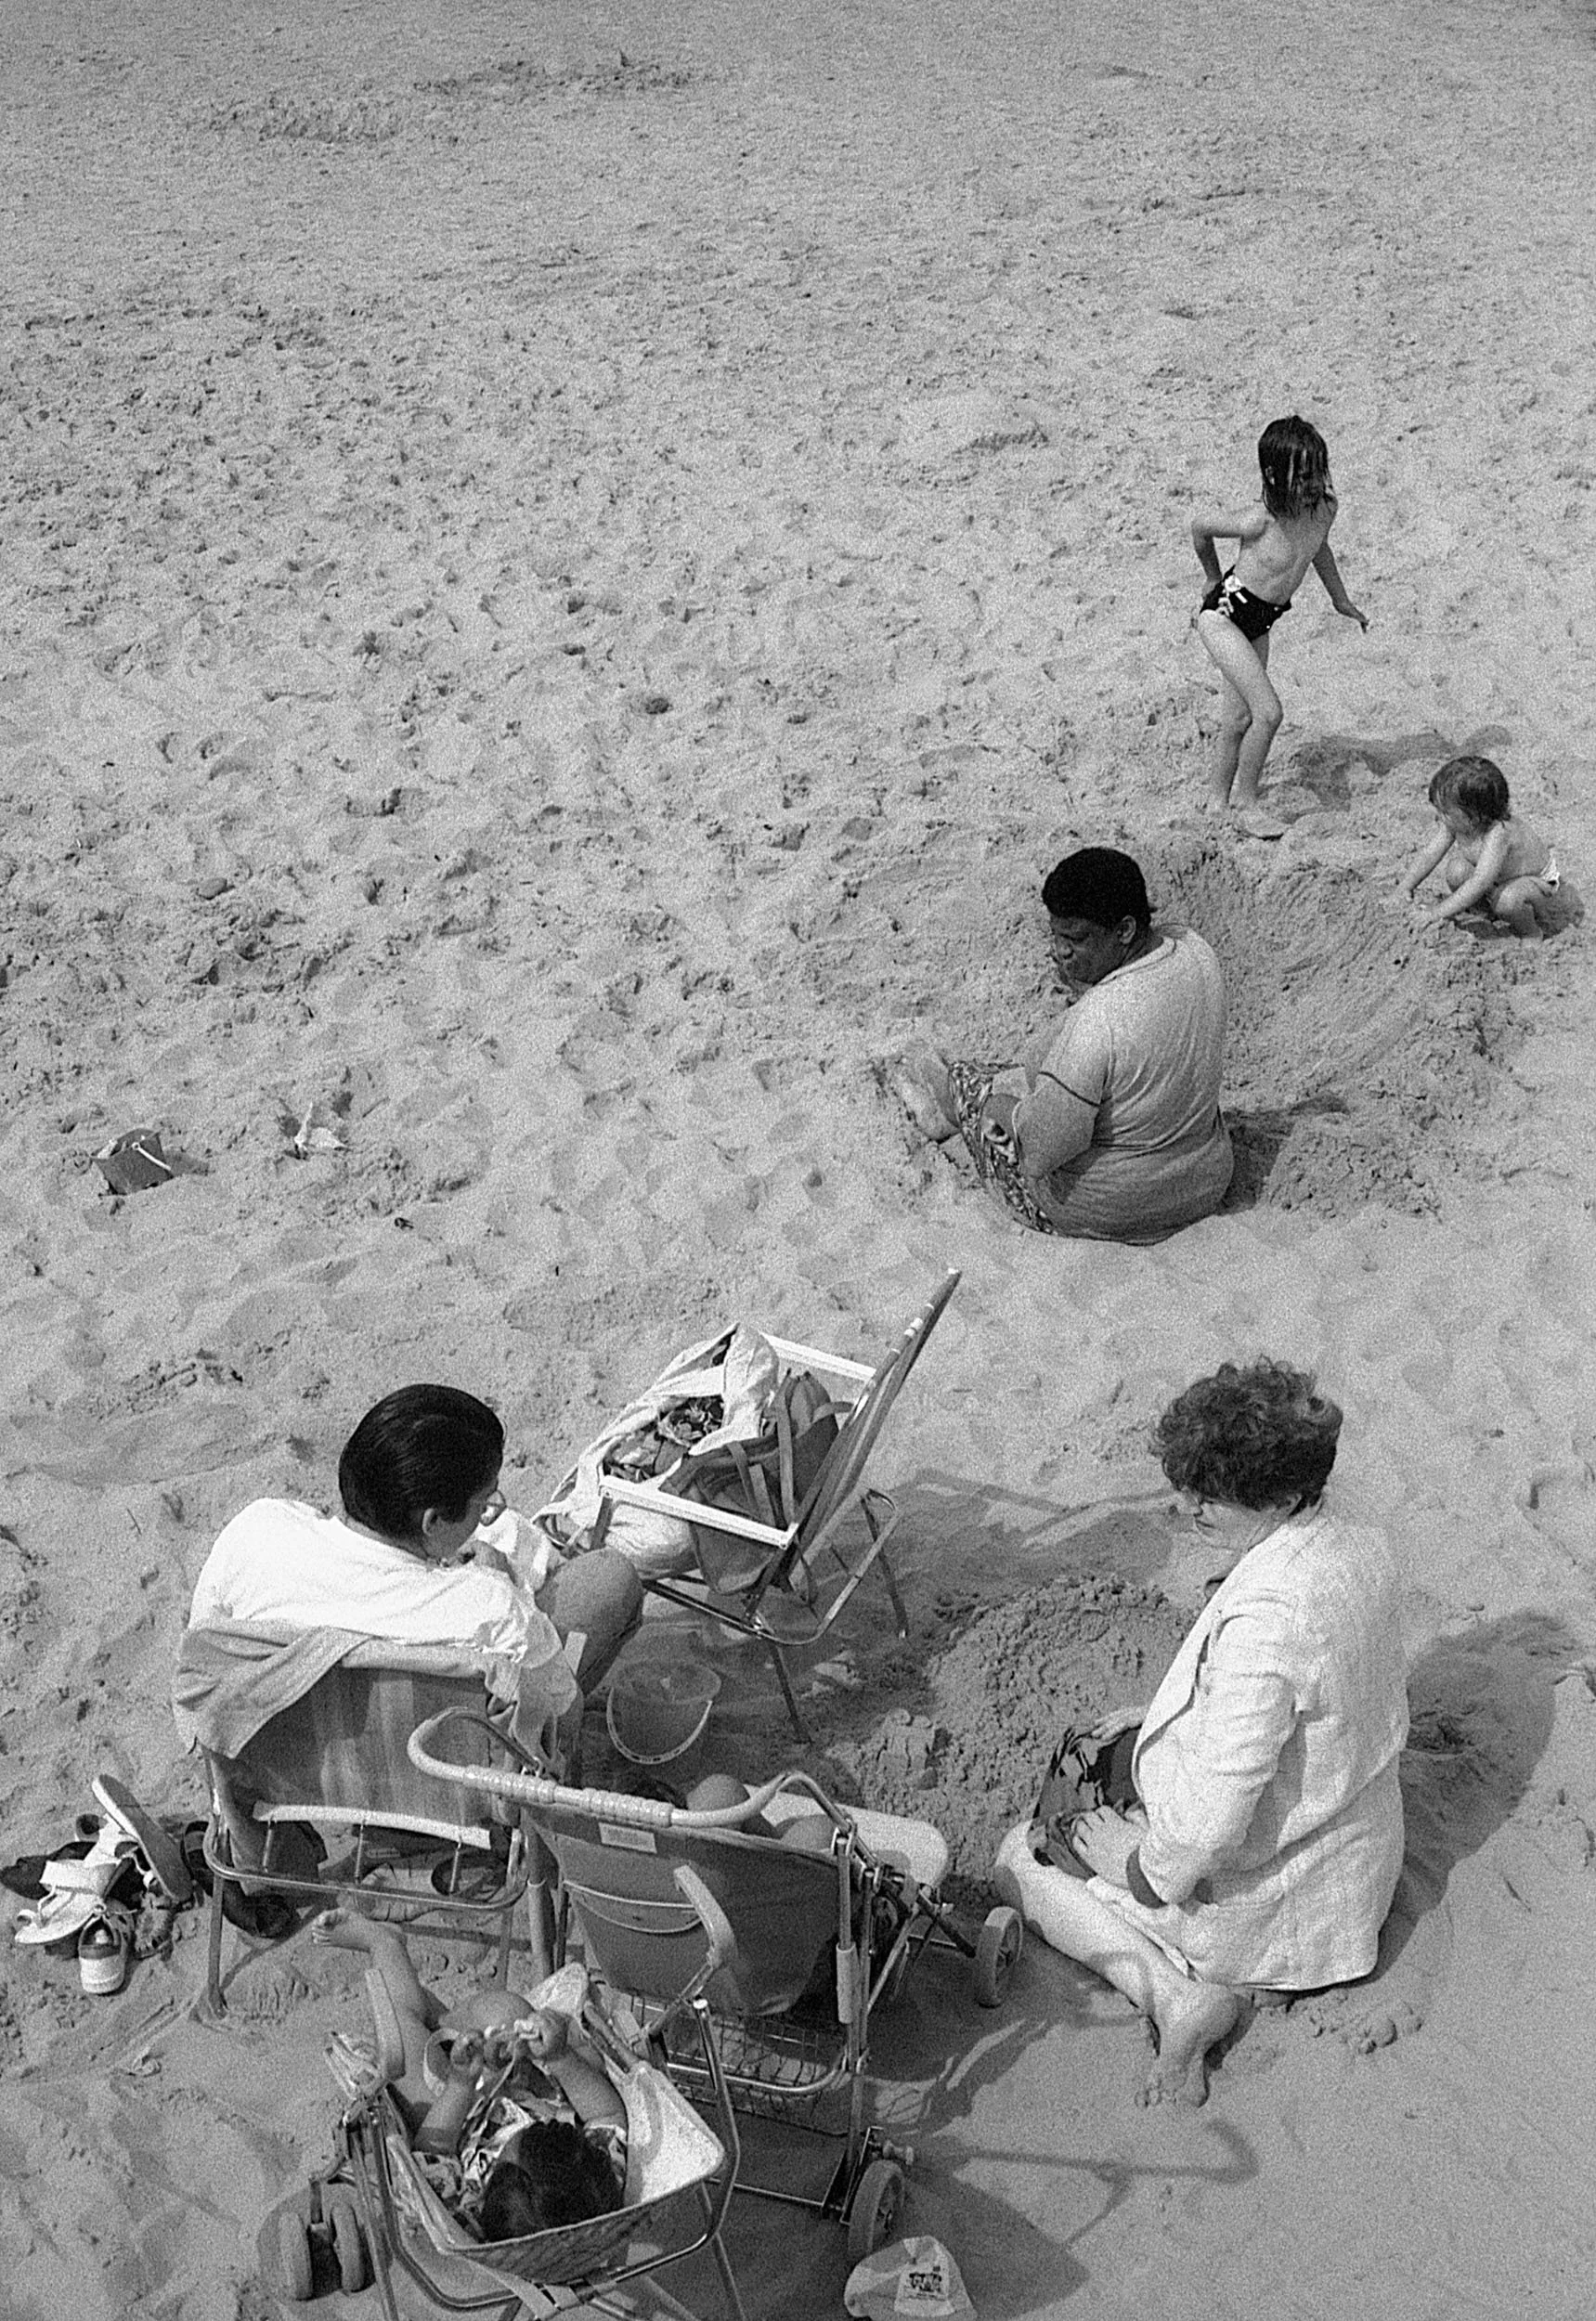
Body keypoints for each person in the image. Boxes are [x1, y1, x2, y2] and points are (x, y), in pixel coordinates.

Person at [994, 1360, 1408, 2109]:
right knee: (1118, 1754)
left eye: (1208, 1497)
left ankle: (1176, 1997)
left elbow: (1208, 1827)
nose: (1186, 1510)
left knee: (1016, 1862)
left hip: (1272, 1909)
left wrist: (1135, 1866)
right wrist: (1163, 1718)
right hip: (1352, 1856)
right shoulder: (1357, 1544)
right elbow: (1305, 1700)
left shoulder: (1269, 1621)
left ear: (1278, 1496)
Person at [188, 1383, 643, 1774]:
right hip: (449, 1783)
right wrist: (507, 1591)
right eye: (483, 1504)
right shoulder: (489, 1608)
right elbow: (561, 1713)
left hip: (302, 1770)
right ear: (432, 1523)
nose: (490, 1514)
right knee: (609, 1581)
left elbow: (203, 1650)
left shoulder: (255, 1530)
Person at [893, 849, 1232, 1242]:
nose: (1060, 951)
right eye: (1056, 936)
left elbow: (1042, 1151)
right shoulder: (1196, 950)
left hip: (1118, 1206)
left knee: (981, 1091)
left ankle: (945, 1103)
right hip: (1205, 1179)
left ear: (1124, 930)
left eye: (1076, 939)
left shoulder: (1099, 1019)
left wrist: (1002, 1110)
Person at [313, 1912, 625, 2239]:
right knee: (506, 2009)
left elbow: (431, 2148)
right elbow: (608, 2114)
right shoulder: (594, 2184)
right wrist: (561, 2059)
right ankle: (439, 2020)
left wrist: (461, 2084)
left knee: (401, 2035)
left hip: (452, 2116)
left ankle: (384, 1945)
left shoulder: (474, 2206)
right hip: (522, 2083)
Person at [1190, 414, 1369, 838]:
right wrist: (1211, 576)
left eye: (1318, 471)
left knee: (1236, 720)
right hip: (1223, 617)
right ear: (1273, 475)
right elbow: (1199, 527)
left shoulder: (1325, 509)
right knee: (1268, 714)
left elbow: (1317, 549)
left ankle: (1216, 804)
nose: (1312, 483)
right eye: (1302, 474)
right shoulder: (1259, 521)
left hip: (1261, 621)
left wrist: (1340, 599)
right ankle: (1247, 805)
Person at [1400, 754, 1559, 939]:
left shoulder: (1499, 833)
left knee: (1508, 900)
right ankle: (1487, 913)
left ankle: (1531, 932)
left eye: (1445, 812)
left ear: (1474, 817)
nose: (1439, 816)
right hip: (1499, 879)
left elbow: (1480, 882)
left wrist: (1435, 913)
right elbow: (1430, 854)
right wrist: (1405, 887)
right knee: (1456, 870)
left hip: (1537, 886)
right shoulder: (1457, 822)